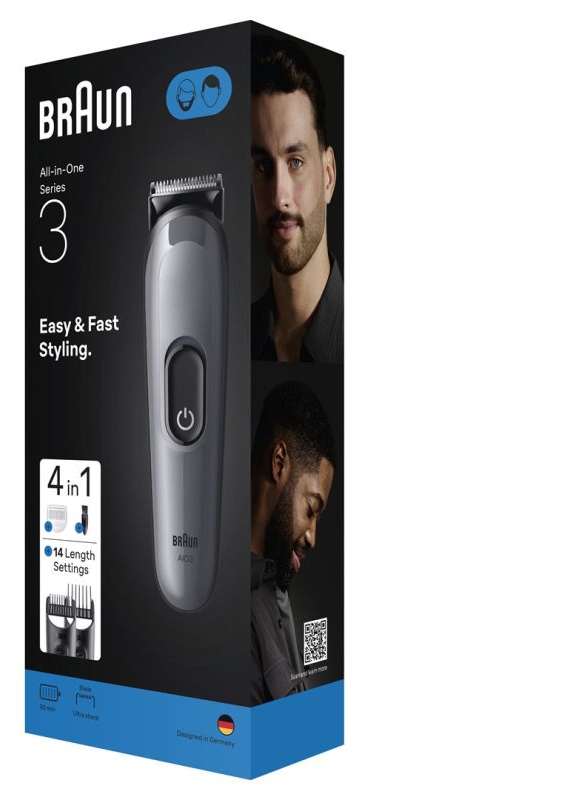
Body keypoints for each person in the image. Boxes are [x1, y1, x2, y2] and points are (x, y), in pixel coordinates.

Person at [250, 35, 343, 364]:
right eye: (264, 166)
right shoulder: (231, 339)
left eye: (296, 162)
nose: (280, 197)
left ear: (328, 176)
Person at [250, 380, 336, 705]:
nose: (313, 537)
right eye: (311, 509)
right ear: (279, 463)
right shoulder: (235, 612)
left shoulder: (278, 597)